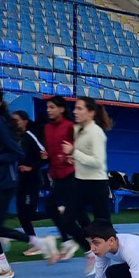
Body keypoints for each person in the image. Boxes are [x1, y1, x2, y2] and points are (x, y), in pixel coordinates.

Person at [0, 87, 58, 278]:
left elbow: (16, 154)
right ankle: (17, 258)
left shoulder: (0, 124)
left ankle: (24, 254)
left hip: (4, 182)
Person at [60, 97, 113, 277]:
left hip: (97, 183)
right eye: (75, 108)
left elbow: (98, 162)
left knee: (105, 227)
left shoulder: (96, 132)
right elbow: (82, 155)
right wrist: (72, 158)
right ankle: (90, 251)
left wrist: (74, 153)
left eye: (80, 108)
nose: (75, 111)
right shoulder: (77, 130)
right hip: (80, 182)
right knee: (67, 220)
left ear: (90, 113)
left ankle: (122, 261)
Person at [42, 96, 89, 260]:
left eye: (52, 107)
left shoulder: (70, 126)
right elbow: (52, 149)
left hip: (72, 174)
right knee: (78, 214)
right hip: (56, 174)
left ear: (61, 109)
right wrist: (47, 156)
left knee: (59, 209)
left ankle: (88, 247)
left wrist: (74, 155)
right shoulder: (47, 128)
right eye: (47, 107)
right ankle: (93, 240)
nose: (48, 110)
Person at [10, 110, 47, 254]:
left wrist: (31, 167)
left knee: (29, 214)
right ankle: (34, 242)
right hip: (21, 180)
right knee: (21, 214)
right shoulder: (17, 137)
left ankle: (58, 212)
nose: (14, 123)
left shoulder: (31, 135)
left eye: (16, 120)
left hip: (32, 180)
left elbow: (45, 156)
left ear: (25, 120)